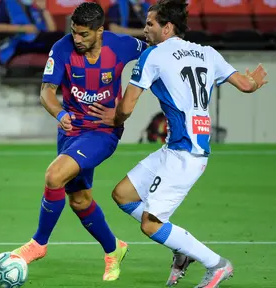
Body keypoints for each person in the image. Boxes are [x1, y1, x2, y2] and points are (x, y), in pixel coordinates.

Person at [89, 0, 268, 287]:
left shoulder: (154, 55)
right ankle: (181, 250)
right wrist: (256, 82)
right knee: (123, 194)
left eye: (150, 24)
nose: (145, 29)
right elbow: (246, 85)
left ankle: (217, 264)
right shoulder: (207, 53)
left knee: (150, 224)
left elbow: (128, 106)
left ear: (167, 27)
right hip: (178, 148)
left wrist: (114, 117)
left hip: (185, 155)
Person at [11, 2, 148, 281]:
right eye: (74, 32)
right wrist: (59, 113)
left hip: (103, 132)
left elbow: (157, 57)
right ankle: (114, 249)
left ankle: (38, 244)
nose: (77, 39)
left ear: (100, 31)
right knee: (80, 200)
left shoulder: (121, 45)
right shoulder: (61, 48)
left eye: (84, 34)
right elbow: (46, 93)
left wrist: (124, 110)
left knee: (54, 175)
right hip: (70, 132)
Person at [0, 0, 64, 64]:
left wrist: (44, 9)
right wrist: (23, 28)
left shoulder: (33, 7)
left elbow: (52, 30)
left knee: (60, 37)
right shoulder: (6, 3)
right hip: (17, 43)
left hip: (36, 40)